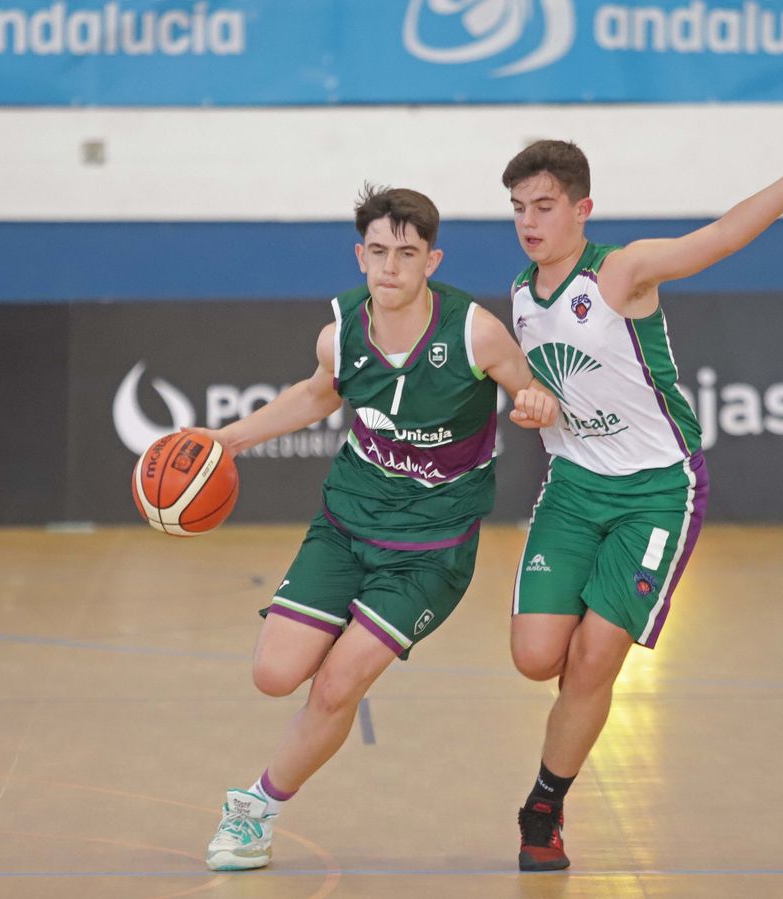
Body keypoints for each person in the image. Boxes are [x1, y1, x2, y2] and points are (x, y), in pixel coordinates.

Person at [502, 103, 783, 871]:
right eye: (519, 208)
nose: (529, 222)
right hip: (573, 487)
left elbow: (722, 236)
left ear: (581, 209)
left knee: (593, 661)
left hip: (656, 491)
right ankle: (579, 681)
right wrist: (532, 403)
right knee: (536, 657)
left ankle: (544, 805)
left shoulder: (623, 270)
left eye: (544, 206)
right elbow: (543, 389)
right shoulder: (522, 296)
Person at [196, 184, 556, 871]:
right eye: (379, 251)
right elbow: (315, 394)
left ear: (431, 260)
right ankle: (331, 644)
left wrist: (536, 403)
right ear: (360, 255)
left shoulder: (474, 332)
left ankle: (255, 811)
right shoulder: (341, 334)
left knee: (336, 687)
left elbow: (530, 387)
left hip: (430, 550)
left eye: (407, 253)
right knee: (274, 674)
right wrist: (229, 439)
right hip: (346, 523)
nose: (391, 266)